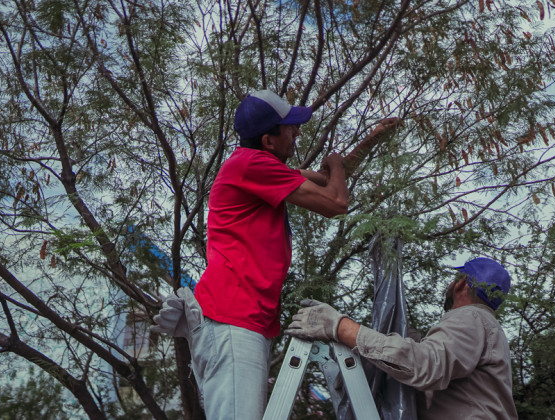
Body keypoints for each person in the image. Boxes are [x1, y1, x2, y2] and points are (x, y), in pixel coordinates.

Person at [190, 89, 349, 420]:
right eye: (289, 128)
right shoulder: (253, 165)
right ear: (268, 140)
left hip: (241, 319)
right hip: (233, 318)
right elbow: (336, 203)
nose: (297, 133)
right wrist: (336, 164)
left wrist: (335, 171)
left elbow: (321, 182)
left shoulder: (254, 163)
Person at [285, 257, 519, 419]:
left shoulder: (470, 318)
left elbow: (426, 364)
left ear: (462, 284)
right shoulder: (484, 327)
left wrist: (340, 327)